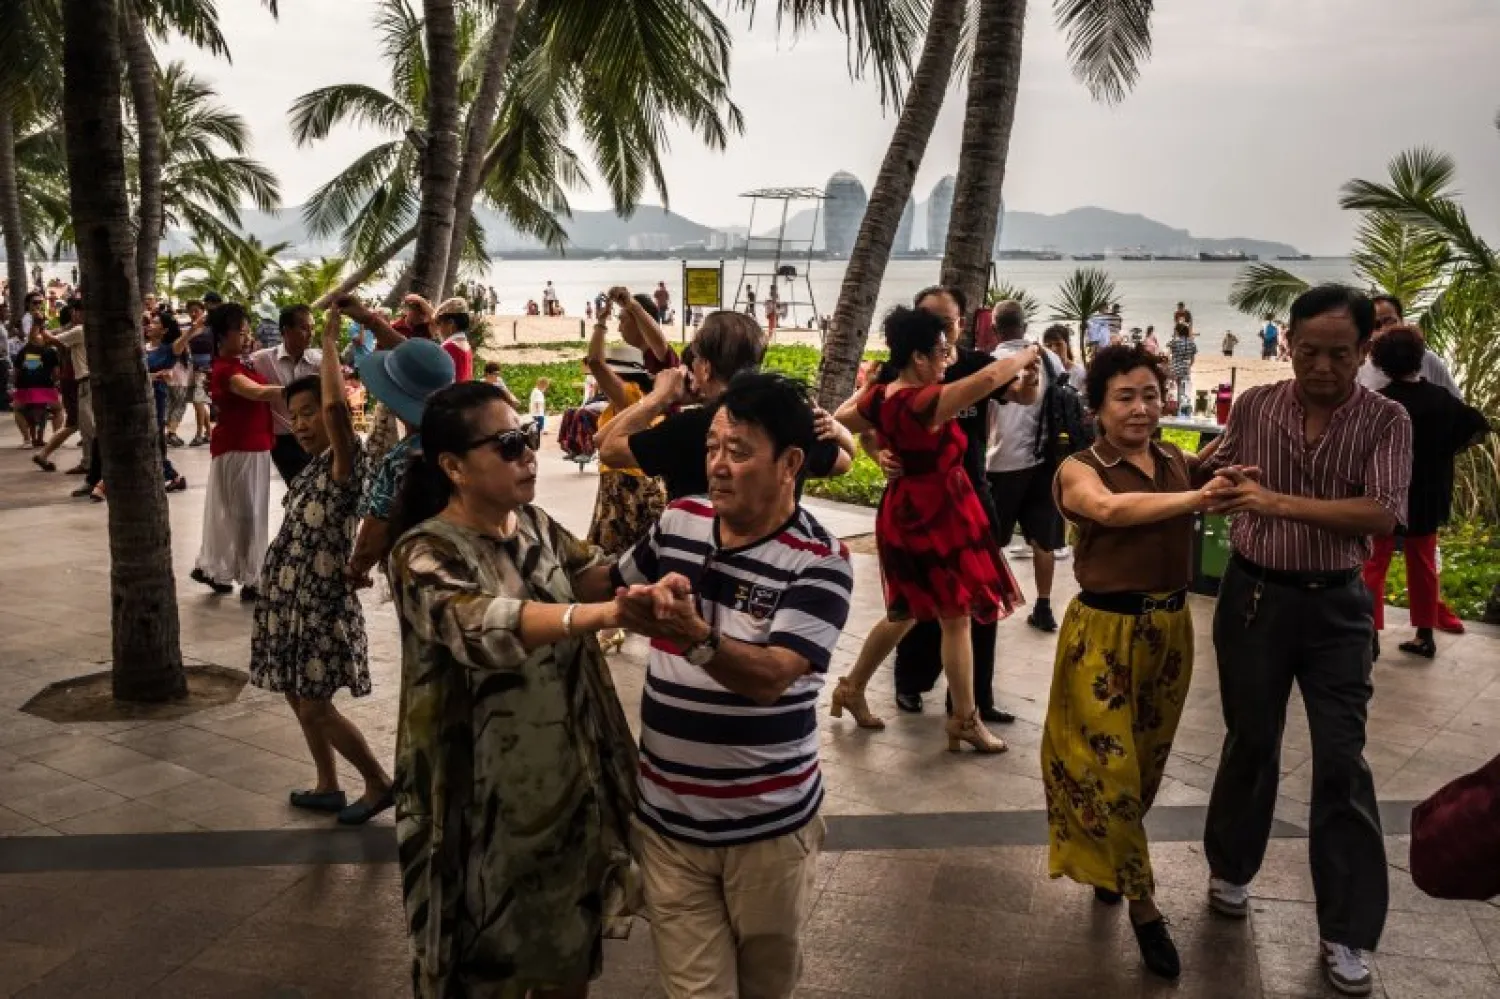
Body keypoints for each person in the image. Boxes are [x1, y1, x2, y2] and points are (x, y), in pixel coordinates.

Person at [386, 381, 644, 999]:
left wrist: (670, 555)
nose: (529, 452)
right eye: (507, 444)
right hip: (475, 807)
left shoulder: (531, 522)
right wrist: (597, 618)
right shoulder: (423, 551)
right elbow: (477, 623)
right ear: (453, 467)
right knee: (482, 968)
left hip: (565, 790)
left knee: (566, 959)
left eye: (527, 435)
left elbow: (588, 576)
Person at [610, 372, 855, 999]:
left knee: (765, 986)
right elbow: (604, 580)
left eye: (738, 450)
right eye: (713, 446)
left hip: (769, 830)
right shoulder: (681, 520)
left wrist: (696, 636)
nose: (717, 464)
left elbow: (773, 677)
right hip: (669, 825)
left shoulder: (820, 560)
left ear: (790, 463)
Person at [1199, 285, 1412, 997]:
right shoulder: (1259, 405)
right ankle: (1230, 865)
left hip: (1337, 608)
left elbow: (1381, 514)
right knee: (1251, 737)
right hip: (1253, 595)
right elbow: (1223, 461)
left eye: (1340, 353)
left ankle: (1348, 929)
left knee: (1342, 761)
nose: (1323, 367)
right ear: (1286, 342)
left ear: (1364, 350)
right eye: (1310, 351)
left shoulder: (1387, 419)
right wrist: (1210, 474)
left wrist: (1274, 501)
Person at [1043, 344, 1231, 980]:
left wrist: (1214, 481)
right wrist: (1198, 501)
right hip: (1103, 636)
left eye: (1150, 394)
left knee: (1145, 767)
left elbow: (1194, 486)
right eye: (1124, 396)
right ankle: (1145, 909)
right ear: (1096, 406)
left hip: (1169, 633)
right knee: (1110, 775)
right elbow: (1108, 510)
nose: (1141, 408)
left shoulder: (1179, 461)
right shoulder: (1080, 467)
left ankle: (1109, 865)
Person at [831, 306, 1034, 751]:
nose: (948, 359)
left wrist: (876, 450)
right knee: (954, 617)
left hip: (922, 509)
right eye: (942, 352)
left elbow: (840, 420)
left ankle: (852, 687)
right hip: (930, 513)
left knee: (909, 613)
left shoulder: (883, 396)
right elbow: (984, 381)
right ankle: (964, 719)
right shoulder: (919, 400)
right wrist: (1026, 353)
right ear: (919, 357)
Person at [247, 306, 393, 826]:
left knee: (314, 704)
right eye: (296, 416)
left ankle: (377, 782)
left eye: (310, 412)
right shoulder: (311, 469)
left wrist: (329, 339)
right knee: (295, 693)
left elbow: (336, 410)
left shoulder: (343, 464)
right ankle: (327, 783)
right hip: (288, 603)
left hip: (318, 605)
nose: (304, 423)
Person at [883, 289, 1040, 722]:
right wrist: (878, 453)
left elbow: (1022, 394)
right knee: (923, 604)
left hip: (970, 494)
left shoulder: (970, 362)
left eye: (950, 322)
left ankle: (973, 701)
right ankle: (910, 683)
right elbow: (868, 421)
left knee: (981, 601)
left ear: (962, 323)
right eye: (933, 322)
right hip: (919, 502)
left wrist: (1032, 374)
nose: (944, 332)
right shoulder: (898, 372)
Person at [596, 311, 853, 501]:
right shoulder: (789, 416)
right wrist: (839, 431)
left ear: (705, 368)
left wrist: (659, 397)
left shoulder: (691, 427)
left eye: (695, 359)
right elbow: (841, 463)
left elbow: (607, 447)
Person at [1359, 326, 1490, 660]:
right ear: (1420, 358)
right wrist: (1443, 451)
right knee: (1423, 562)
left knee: (1375, 562)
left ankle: (1369, 635)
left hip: (1388, 493)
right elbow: (1475, 426)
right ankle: (1425, 633)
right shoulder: (1442, 400)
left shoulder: (1380, 403)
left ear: (1380, 362)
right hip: (1430, 492)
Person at [190, 302, 284, 599]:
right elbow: (256, 392)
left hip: (252, 445)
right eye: (240, 333)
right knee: (246, 513)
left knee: (243, 511)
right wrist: (299, 388)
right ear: (222, 336)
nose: (246, 338)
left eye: (247, 332)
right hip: (240, 447)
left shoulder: (241, 363)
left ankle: (222, 569)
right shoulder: (226, 370)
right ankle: (247, 575)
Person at [347, 336, 456, 588]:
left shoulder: (402, 460)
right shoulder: (463, 442)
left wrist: (356, 569)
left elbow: (376, 530)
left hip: (420, 574)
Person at [987, 301, 1069, 632]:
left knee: (992, 540)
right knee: (1043, 540)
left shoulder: (991, 363)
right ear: (1025, 324)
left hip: (1001, 462)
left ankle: (991, 603)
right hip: (1043, 461)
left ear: (994, 328)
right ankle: (1044, 605)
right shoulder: (1049, 359)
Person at [584, 320, 667, 566]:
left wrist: (600, 323)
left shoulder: (628, 395)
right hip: (631, 485)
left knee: (617, 561)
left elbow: (596, 362)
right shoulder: (640, 401)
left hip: (627, 487)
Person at [248, 304, 320, 484]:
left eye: (312, 328)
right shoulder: (261, 360)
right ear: (286, 331)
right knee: (299, 486)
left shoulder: (320, 361)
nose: (310, 333)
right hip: (283, 439)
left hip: (316, 435)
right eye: (304, 328)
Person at [1356, 294, 1460, 396]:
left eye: (1390, 321)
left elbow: (1457, 405)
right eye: (1376, 326)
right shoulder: (1358, 370)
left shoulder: (1427, 359)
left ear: (1402, 321)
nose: (1384, 330)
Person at [34, 303, 91, 473]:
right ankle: (88, 462)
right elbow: (43, 340)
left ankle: (45, 454)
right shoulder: (77, 330)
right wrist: (39, 325)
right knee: (80, 424)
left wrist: (39, 325)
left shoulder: (78, 330)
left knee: (78, 424)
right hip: (74, 380)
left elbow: (43, 340)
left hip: (74, 380)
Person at [13, 321, 61, 447]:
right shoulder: (50, 351)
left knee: (18, 410)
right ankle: (56, 438)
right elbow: (56, 373)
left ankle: (27, 439)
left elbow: (17, 372)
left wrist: (15, 385)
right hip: (45, 388)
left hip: (25, 389)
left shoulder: (23, 351)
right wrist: (55, 383)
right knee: (58, 410)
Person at [435, 297, 474, 383]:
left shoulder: (449, 347)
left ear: (450, 323)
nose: (437, 329)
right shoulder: (467, 346)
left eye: (439, 323)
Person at [1043, 324, 1086, 392]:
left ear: (1067, 345)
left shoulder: (1079, 373)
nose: (1053, 349)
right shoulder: (1042, 372)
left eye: (1058, 344)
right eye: (1049, 346)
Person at [1168, 323, 1197, 416]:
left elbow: (1169, 354)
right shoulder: (1191, 343)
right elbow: (1192, 360)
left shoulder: (1174, 342)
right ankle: (1185, 409)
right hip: (1186, 366)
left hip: (1176, 366)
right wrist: (1188, 366)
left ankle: (1177, 408)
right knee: (1185, 388)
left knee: (1176, 388)